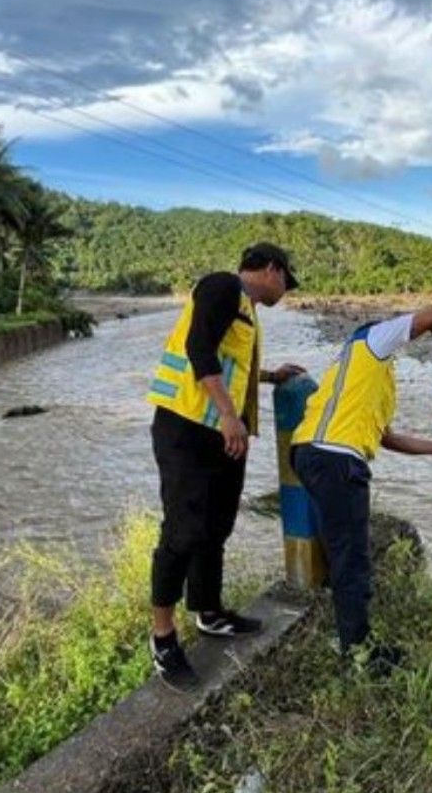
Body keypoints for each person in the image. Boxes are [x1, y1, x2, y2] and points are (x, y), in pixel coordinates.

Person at [146, 242, 305, 687]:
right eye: (285, 282)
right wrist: (232, 418)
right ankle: (162, 638)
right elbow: (201, 350)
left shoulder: (246, 310)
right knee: (181, 532)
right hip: (187, 428)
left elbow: (227, 363)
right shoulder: (222, 286)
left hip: (219, 435)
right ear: (271, 269)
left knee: (215, 526)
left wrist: (271, 376)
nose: (285, 291)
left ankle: (209, 612)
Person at [290, 308, 432, 673]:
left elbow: (384, 437)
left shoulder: (364, 375)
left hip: (313, 454)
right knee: (351, 559)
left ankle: (350, 638)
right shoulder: (370, 341)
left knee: (342, 551)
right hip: (336, 458)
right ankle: (359, 655)